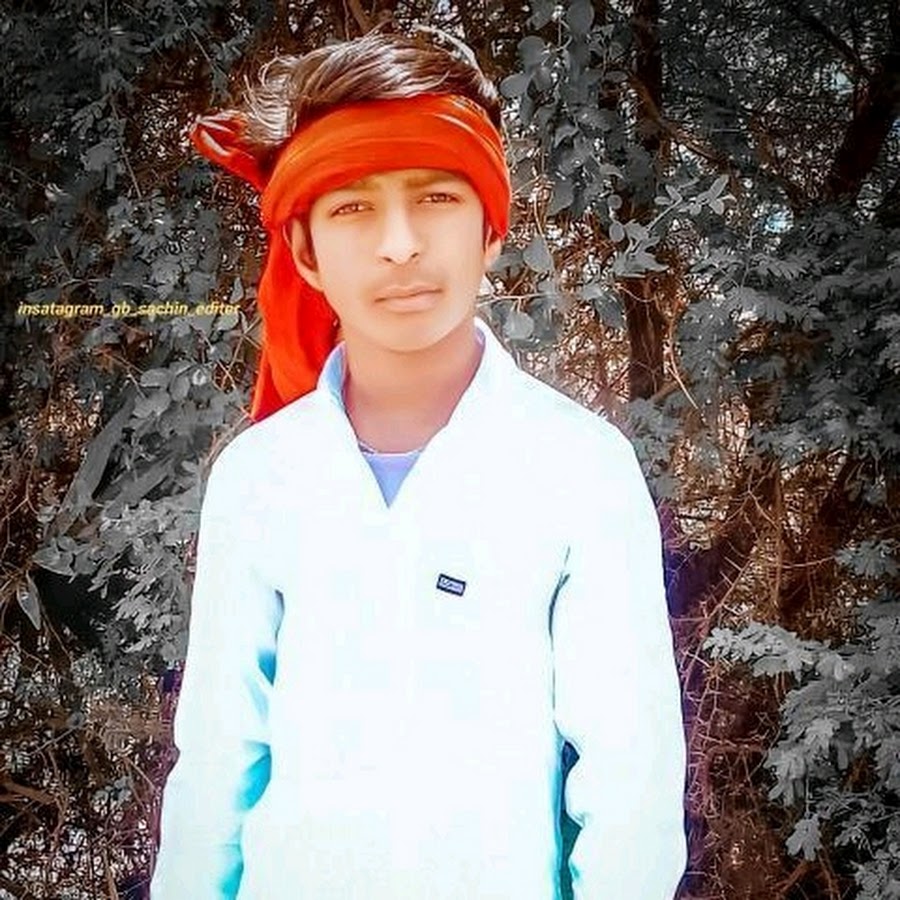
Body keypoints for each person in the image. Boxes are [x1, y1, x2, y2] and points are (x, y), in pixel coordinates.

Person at [150, 27, 687, 900]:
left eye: (435, 197)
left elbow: (631, 785)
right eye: (352, 208)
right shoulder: (259, 477)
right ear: (304, 252)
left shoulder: (577, 469)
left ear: (491, 230)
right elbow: (217, 766)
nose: (399, 244)